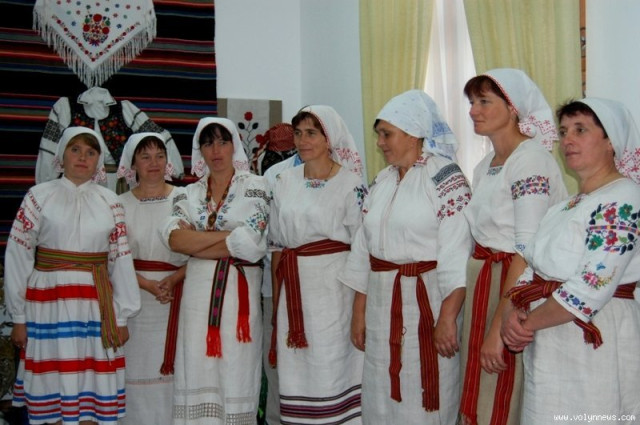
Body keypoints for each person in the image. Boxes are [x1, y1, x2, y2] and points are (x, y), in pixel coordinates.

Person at [501, 98, 640, 424]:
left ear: (610, 141)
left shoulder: (624, 197)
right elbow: (533, 267)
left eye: (581, 130)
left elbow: (593, 283)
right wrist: (513, 312)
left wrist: (526, 325)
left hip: (595, 339)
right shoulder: (564, 207)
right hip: (550, 340)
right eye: (563, 132)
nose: (567, 140)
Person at [338, 89, 472, 425]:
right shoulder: (382, 181)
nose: (380, 143)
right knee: (381, 390)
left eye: (387, 134)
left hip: (426, 303)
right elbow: (363, 250)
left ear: (413, 133)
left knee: (425, 392)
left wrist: (447, 317)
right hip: (381, 306)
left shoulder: (445, 177)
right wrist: (359, 313)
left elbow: (457, 252)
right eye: (379, 135)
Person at [4, 126, 141, 425]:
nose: (82, 158)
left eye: (90, 152)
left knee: (92, 386)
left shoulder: (111, 202)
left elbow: (120, 259)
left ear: (98, 160)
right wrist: (19, 317)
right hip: (48, 303)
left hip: (95, 305)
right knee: (54, 381)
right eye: (75, 150)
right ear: (62, 156)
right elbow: (18, 255)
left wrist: (122, 317)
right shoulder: (38, 197)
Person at [457, 68, 569, 425]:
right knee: (480, 387)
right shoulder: (484, 166)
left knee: (503, 388)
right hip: (485, 281)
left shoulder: (530, 160)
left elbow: (526, 250)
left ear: (513, 108)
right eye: (472, 102)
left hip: (513, 285)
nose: (473, 110)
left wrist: (497, 329)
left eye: (484, 101)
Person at [162, 117, 269, 425]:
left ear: (234, 145)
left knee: (237, 367)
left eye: (223, 142)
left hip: (238, 299)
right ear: (200, 150)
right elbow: (174, 239)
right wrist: (229, 238)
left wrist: (197, 243)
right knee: (196, 365)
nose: (216, 150)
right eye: (208, 143)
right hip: (197, 297)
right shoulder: (187, 193)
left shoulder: (256, 187)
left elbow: (252, 243)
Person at [268, 105, 366, 424]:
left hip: (334, 290)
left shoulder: (351, 184)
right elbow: (277, 245)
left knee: (331, 364)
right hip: (293, 290)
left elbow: (362, 249)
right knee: (297, 368)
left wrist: (359, 308)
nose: (302, 140)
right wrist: (277, 300)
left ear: (329, 138)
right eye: (298, 133)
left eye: (311, 133)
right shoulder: (284, 181)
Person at [117, 133, 188, 424]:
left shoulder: (184, 198)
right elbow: (112, 259)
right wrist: (146, 284)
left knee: (176, 372)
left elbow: (200, 249)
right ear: (133, 163)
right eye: (145, 157)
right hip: (133, 301)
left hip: (178, 298)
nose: (153, 162)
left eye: (159, 156)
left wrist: (174, 279)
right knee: (135, 370)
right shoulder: (118, 204)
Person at [35, 86, 184, 193]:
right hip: (78, 179)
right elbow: (49, 144)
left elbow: (157, 135)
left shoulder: (124, 109)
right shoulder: (65, 107)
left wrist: (176, 168)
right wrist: (45, 182)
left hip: (117, 183)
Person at [259, 122, 299, 425]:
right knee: (275, 358)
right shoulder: (274, 175)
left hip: (319, 285)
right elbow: (265, 234)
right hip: (275, 282)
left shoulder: (339, 174)